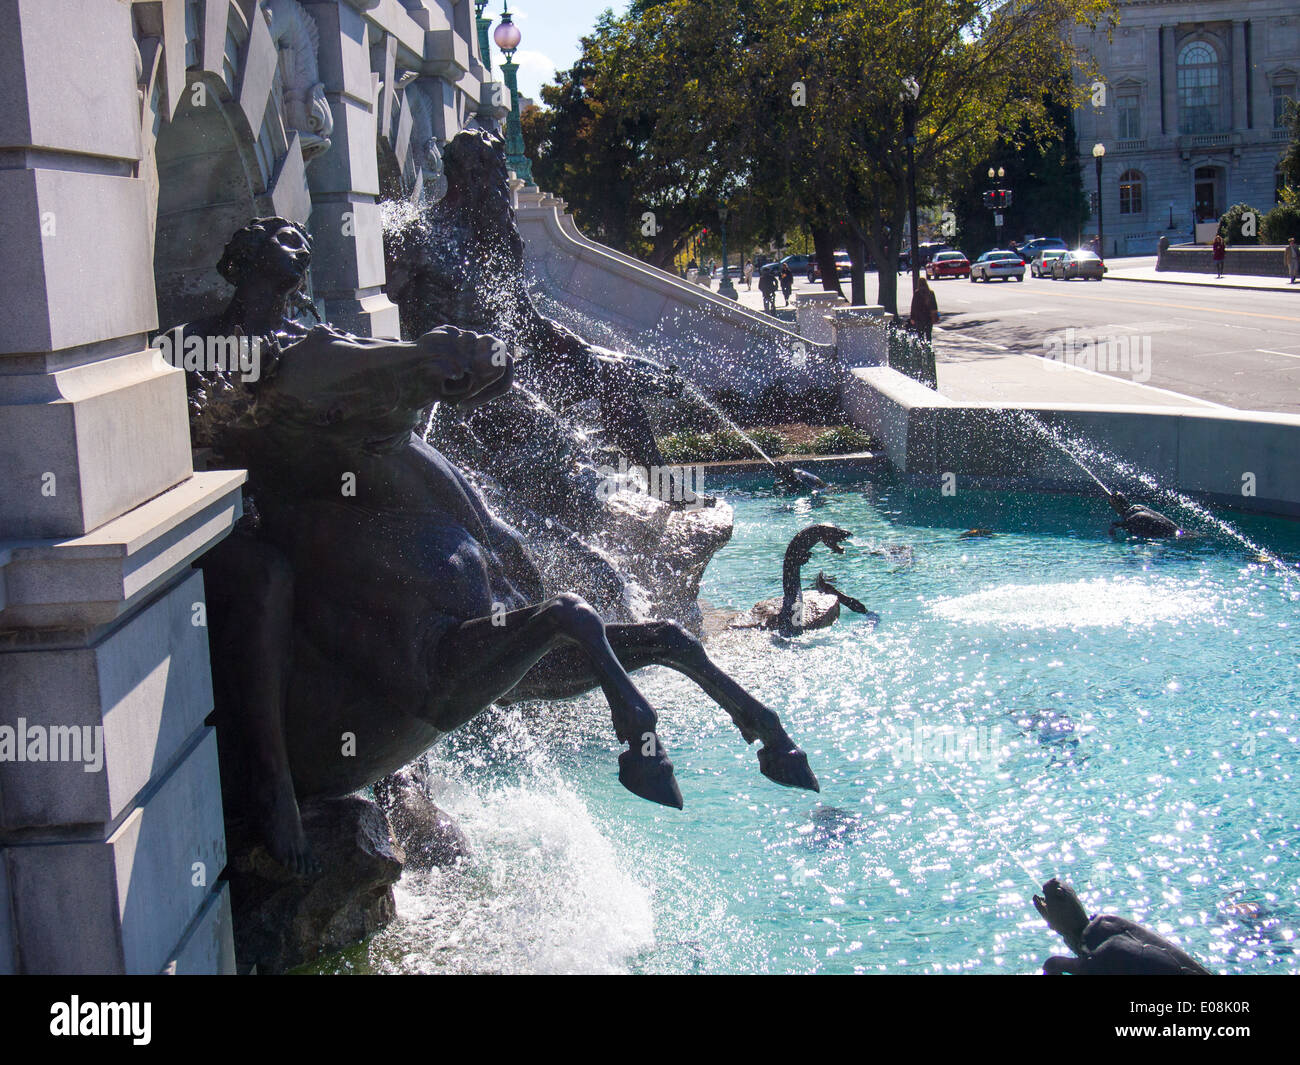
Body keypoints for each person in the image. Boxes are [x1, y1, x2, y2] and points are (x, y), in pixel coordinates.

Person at [909, 277, 939, 343]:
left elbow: (914, 306)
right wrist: (936, 315)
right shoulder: (931, 293)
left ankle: (922, 348)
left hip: (919, 317)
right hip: (929, 317)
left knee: (920, 334)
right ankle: (929, 347)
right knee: (928, 334)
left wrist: (912, 317)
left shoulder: (917, 293)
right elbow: (934, 305)